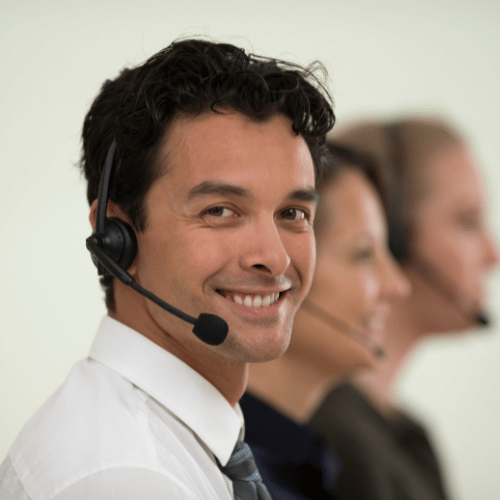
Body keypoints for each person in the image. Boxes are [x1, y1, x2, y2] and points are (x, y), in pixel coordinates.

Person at [0, 38, 335, 500]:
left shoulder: (169, 442)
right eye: (221, 211)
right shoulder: (130, 479)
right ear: (117, 237)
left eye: (292, 213)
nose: (275, 257)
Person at [309, 118, 499, 500]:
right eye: (466, 221)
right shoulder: (330, 437)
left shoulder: (406, 435)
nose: (492, 253)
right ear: (393, 237)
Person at [241, 143, 411, 499]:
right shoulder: (234, 478)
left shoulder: (305, 464)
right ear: (280, 269)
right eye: (364, 254)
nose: (397, 286)